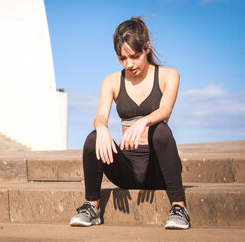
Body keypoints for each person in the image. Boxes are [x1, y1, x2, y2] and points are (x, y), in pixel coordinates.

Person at [69, 16, 190, 229]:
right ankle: (92, 206)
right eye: (122, 58)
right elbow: (100, 115)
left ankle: (179, 208)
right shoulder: (111, 81)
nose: (129, 64)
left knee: (161, 131)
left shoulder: (168, 75)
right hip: (127, 169)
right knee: (92, 138)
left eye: (134, 56)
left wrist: (144, 121)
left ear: (147, 48)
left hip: (158, 168)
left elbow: (165, 110)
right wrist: (102, 128)